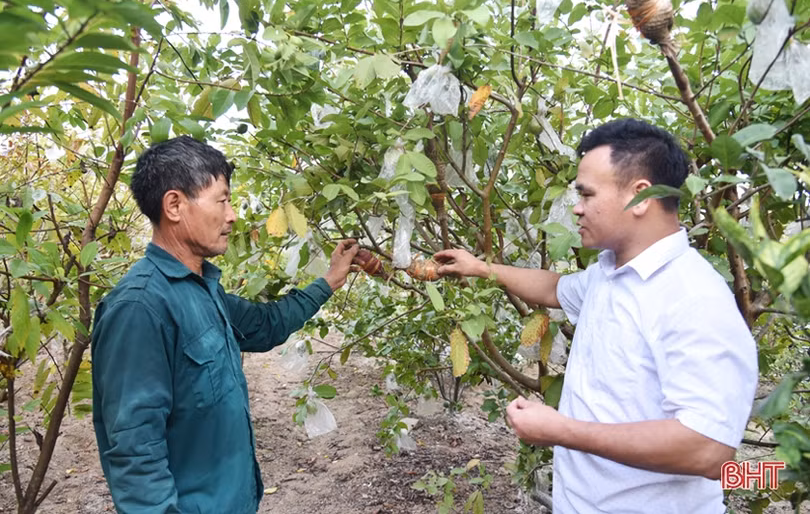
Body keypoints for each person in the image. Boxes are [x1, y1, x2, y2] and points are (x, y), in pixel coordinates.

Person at [434, 118, 758, 513]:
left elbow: (707, 450)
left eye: (587, 194)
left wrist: (562, 430)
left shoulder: (693, 297)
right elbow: (554, 289)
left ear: (641, 196)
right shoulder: (610, 273)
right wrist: (480, 268)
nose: (576, 207)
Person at [91, 136, 358, 513]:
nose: (231, 216)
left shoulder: (201, 290)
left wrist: (329, 280)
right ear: (174, 205)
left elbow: (266, 324)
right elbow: (136, 455)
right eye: (222, 200)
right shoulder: (139, 308)